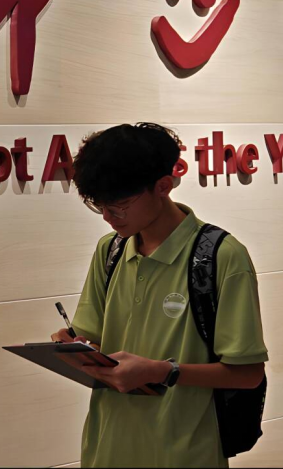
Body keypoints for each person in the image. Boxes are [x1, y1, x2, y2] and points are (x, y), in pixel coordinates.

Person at [51, 123, 269, 467]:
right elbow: (92, 335)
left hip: (185, 452)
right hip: (107, 444)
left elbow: (247, 373)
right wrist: (74, 346)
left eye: (119, 205)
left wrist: (162, 371)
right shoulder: (110, 250)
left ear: (163, 186)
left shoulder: (222, 256)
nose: (107, 218)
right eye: (99, 205)